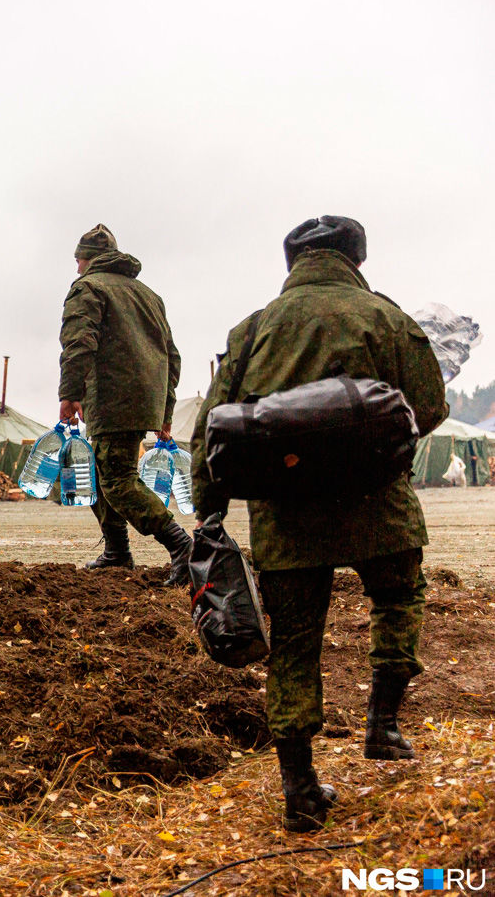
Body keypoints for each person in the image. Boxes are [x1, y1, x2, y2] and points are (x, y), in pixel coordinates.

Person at [190, 216, 446, 832]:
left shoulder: (251, 330)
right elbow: (429, 407)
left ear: (292, 263)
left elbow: (209, 435)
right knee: (398, 599)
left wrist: (209, 511)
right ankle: (383, 725)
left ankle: (300, 790)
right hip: (379, 506)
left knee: (296, 645)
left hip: (285, 519)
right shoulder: (387, 317)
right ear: (357, 258)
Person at [57, 224, 191, 585]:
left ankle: (181, 546)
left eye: (78, 261)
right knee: (99, 476)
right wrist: (164, 412)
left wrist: (70, 394)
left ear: (87, 260)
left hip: (112, 398)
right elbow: (171, 356)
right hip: (143, 399)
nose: (77, 269)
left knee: (117, 479)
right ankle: (117, 552)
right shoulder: (148, 295)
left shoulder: (88, 288)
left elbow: (79, 343)